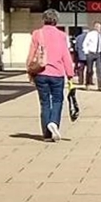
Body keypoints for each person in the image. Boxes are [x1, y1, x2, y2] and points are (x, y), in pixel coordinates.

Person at [28, 9, 76, 142]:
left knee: (44, 103)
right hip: (57, 73)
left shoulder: (37, 34)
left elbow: (31, 54)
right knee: (57, 100)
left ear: (44, 19)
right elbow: (65, 55)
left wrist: (30, 71)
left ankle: (47, 134)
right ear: (56, 20)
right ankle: (54, 122)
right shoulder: (62, 36)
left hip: (41, 73)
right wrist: (70, 73)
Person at [81, 21, 101, 91]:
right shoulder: (90, 34)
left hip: (98, 54)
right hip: (91, 53)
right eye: (97, 26)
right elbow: (85, 43)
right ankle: (87, 84)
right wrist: (86, 52)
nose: (98, 28)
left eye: (99, 27)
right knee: (89, 70)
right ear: (94, 27)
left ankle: (100, 86)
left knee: (99, 70)